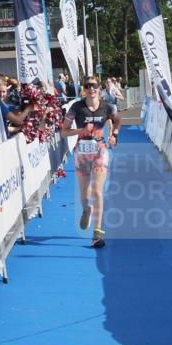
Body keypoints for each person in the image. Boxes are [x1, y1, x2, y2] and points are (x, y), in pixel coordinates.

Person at [61, 76, 121, 248]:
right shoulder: (77, 107)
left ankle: (98, 232)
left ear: (99, 88)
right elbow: (64, 132)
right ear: (84, 89)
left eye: (94, 86)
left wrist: (113, 134)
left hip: (100, 151)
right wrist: (81, 130)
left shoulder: (107, 106)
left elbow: (117, 120)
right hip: (82, 153)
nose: (91, 89)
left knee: (97, 190)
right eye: (88, 86)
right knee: (84, 193)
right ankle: (87, 209)